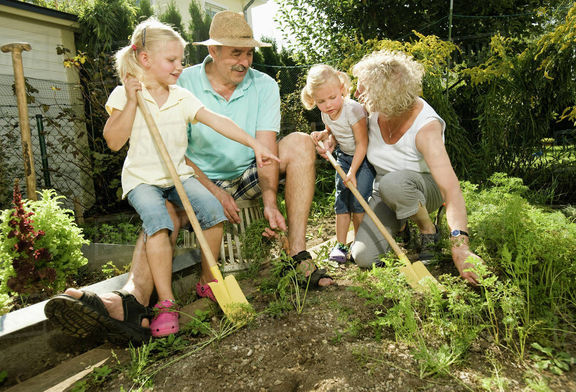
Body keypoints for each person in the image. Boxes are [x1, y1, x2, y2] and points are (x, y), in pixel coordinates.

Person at [45, 17, 279, 342]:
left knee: (213, 212)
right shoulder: (124, 95)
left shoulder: (181, 96)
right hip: (144, 180)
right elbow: (113, 140)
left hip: (178, 175)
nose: (179, 67)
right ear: (145, 59)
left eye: (181, 60)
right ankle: (166, 302)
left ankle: (209, 281)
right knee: (159, 223)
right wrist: (131, 101)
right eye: (171, 60)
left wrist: (255, 144)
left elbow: (217, 120)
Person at [175, 10, 334, 290]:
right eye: (236, 53)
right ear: (213, 50)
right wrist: (215, 192)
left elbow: (267, 150)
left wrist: (270, 201)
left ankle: (297, 253)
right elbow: (176, 153)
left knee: (299, 142)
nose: (244, 62)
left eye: (249, 54)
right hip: (198, 180)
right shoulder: (183, 84)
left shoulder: (264, 85)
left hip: (248, 175)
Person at [336, 50, 481, 284]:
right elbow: (348, 130)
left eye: (364, 88)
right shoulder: (372, 112)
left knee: (394, 183)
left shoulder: (426, 128)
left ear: (387, 95)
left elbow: (451, 190)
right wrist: (327, 138)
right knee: (363, 257)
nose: (356, 93)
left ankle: (427, 230)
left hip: (424, 188)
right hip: (385, 191)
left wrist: (460, 245)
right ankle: (402, 224)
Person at [302, 64, 374, 264]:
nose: (328, 105)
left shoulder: (354, 110)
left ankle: (359, 244)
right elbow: (332, 130)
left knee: (358, 201)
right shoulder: (326, 112)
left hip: (363, 159)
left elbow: (362, 144)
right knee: (342, 201)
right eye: (321, 101)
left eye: (332, 98)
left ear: (341, 89)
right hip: (343, 157)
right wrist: (324, 135)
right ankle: (341, 245)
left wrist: (352, 172)